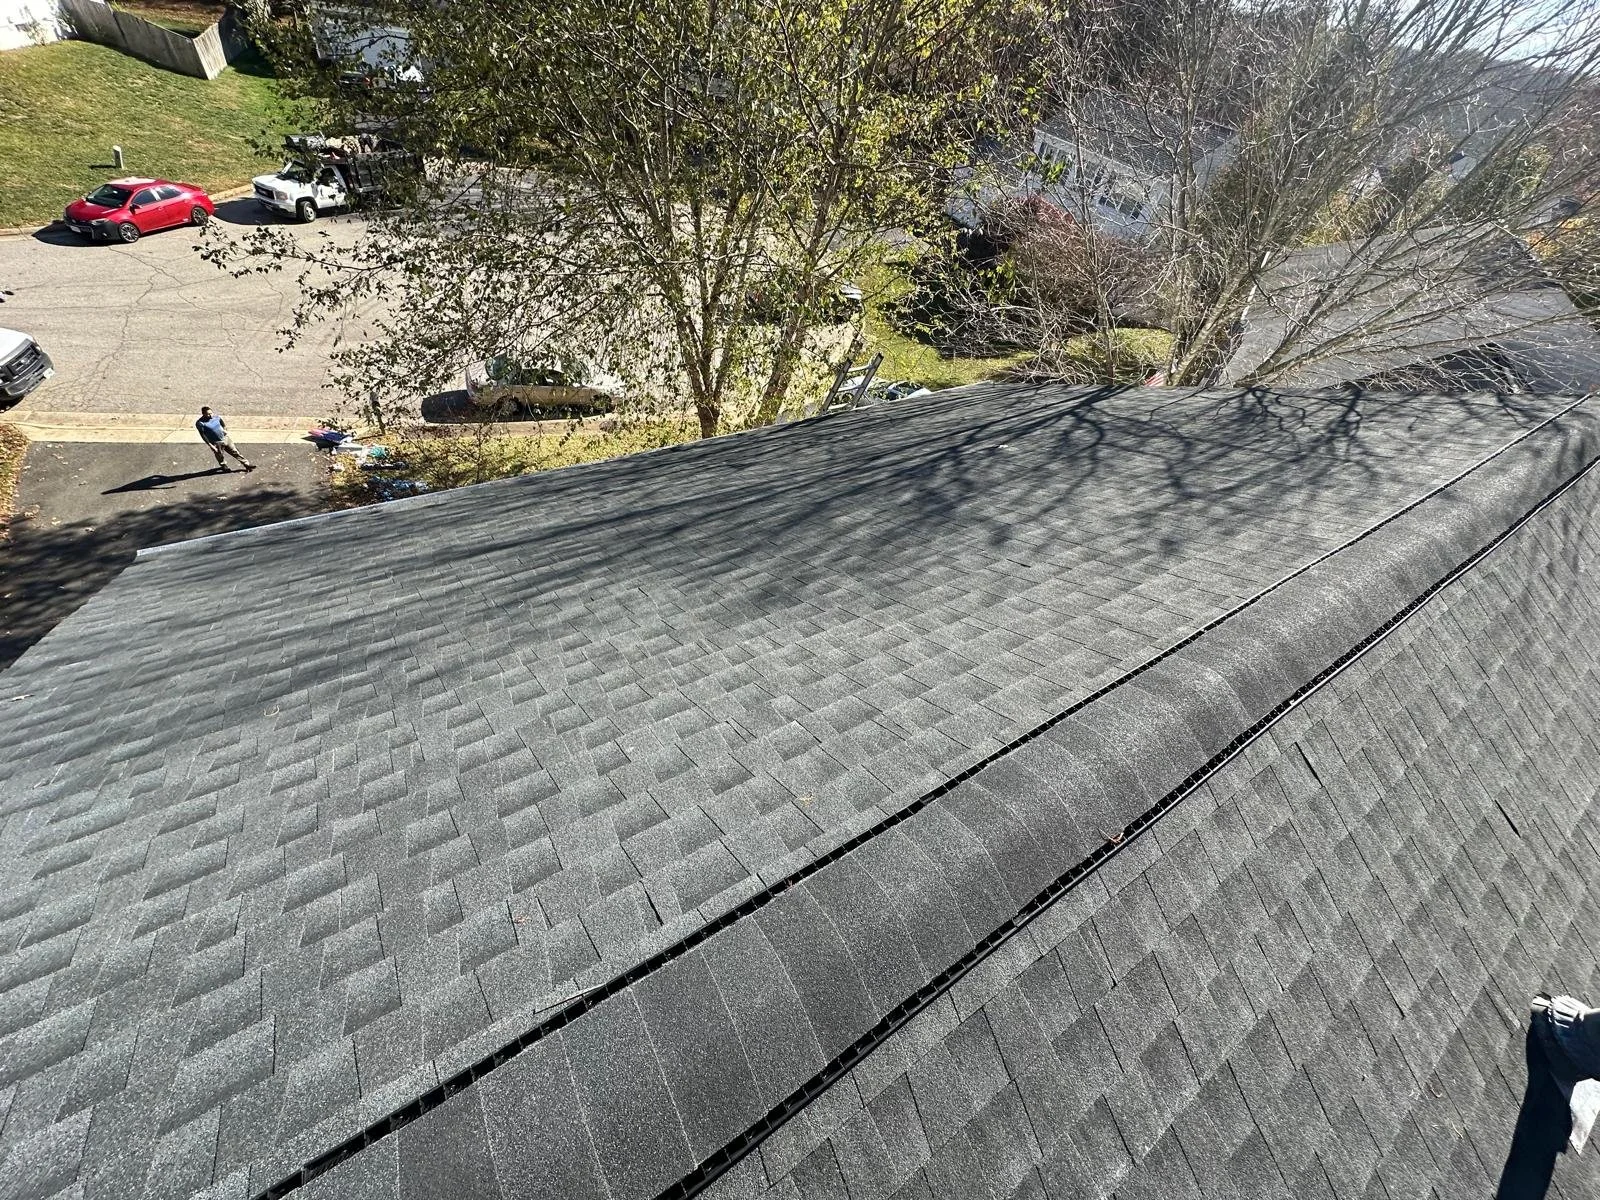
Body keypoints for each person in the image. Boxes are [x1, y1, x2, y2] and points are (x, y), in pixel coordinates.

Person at [195, 406, 255, 472]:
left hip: (225, 438)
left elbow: (222, 423)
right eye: (208, 414)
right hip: (216, 442)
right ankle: (223, 465)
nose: (211, 415)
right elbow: (203, 435)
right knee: (220, 455)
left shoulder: (216, 417)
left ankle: (246, 464)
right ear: (203, 414)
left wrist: (225, 430)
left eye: (211, 413)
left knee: (235, 451)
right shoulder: (200, 423)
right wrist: (211, 445)